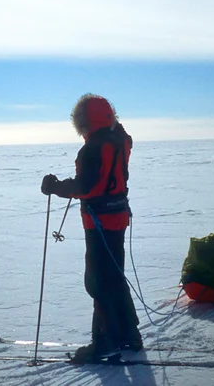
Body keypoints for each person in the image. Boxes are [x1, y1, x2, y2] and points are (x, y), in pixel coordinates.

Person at [40, 93, 142, 362]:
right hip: (118, 218)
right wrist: (113, 124)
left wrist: (54, 187)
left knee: (99, 282)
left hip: (99, 223)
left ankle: (104, 342)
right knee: (114, 276)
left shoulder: (91, 149)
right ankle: (129, 335)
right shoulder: (120, 141)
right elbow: (124, 137)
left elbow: (85, 186)